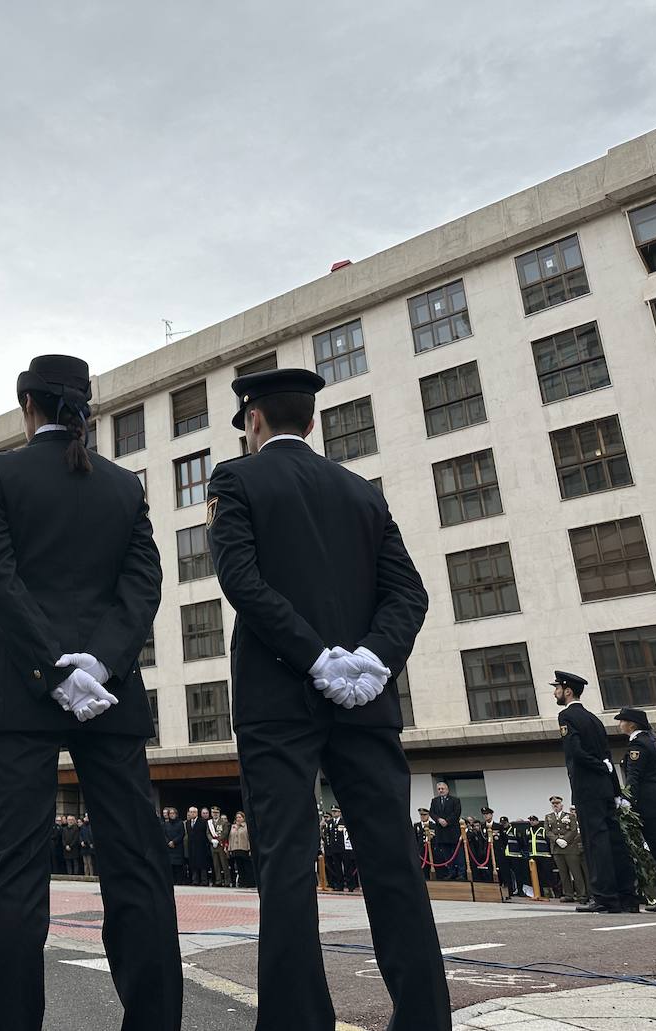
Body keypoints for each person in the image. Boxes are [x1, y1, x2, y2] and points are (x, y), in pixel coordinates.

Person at [206, 367, 450, 1030]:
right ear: (310, 422)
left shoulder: (235, 479)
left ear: (253, 420)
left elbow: (241, 580)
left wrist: (313, 656)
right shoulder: (361, 493)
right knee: (393, 861)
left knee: (286, 861)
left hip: (279, 698)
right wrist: (369, 658)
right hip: (364, 699)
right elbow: (411, 593)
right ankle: (426, 1019)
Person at [0, 354, 182, 1031]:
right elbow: (143, 586)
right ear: (84, 409)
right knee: (137, 868)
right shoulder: (125, 486)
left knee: (14, 875)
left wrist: (53, 670)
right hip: (109, 695)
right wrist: (100, 665)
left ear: (25, 403)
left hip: (17, 690)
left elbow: (0, 582)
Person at [553, 671, 640, 914]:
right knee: (614, 841)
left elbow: (575, 752)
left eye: (557, 688)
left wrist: (598, 766)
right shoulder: (594, 719)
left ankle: (604, 897)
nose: (555, 692)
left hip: (587, 788)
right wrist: (614, 789)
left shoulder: (567, 715)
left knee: (595, 842)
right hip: (604, 788)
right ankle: (627, 896)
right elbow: (607, 756)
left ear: (568, 690)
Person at [617, 707, 656, 913]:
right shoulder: (651, 741)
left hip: (650, 807)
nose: (620, 724)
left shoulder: (637, 744)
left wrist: (626, 800)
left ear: (631, 724)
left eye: (622, 721)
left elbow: (634, 776)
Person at [545, 796, 586, 903]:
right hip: (557, 848)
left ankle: (582, 894)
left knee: (576, 872)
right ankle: (568, 894)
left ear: (561, 805)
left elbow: (573, 830)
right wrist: (557, 840)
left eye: (557, 804)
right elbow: (548, 831)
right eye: (554, 804)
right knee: (563, 873)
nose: (555, 806)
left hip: (570, 848)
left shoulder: (570, 816)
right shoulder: (548, 817)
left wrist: (566, 840)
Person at [429, 782, 464, 880]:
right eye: (439, 789)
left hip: (452, 830)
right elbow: (432, 812)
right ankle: (451, 872)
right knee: (446, 853)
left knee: (458, 853)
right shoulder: (434, 801)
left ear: (447, 789)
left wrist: (447, 821)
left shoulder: (455, 800)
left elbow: (456, 812)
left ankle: (461, 873)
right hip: (441, 831)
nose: (440, 790)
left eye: (442, 788)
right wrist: (439, 820)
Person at [228, 811, 254, 888]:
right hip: (235, 849)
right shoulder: (233, 826)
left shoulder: (246, 826)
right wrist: (230, 849)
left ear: (243, 818)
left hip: (244, 849)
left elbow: (249, 838)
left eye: (240, 817)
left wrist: (250, 849)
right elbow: (230, 838)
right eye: (237, 817)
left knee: (247, 867)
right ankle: (242, 883)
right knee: (239, 867)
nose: (238, 819)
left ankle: (250, 883)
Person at [208, 808, 230, 887]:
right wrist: (211, 840)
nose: (215, 814)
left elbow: (225, 833)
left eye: (217, 812)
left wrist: (218, 840)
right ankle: (218, 881)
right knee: (216, 864)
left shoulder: (223, 822)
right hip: (213, 846)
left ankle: (227, 881)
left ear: (219, 813)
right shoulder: (209, 823)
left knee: (224, 864)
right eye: (213, 812)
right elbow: (208, 833)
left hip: (221, 845)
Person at [413, 808, 434, 879]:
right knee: (422, 866)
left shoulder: (433, 825)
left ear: (428, 815)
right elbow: (415, 838)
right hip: (421, 849)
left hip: (431, 849)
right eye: (421, 815)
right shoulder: (417, 825)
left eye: (424, 815)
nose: (422, 816)